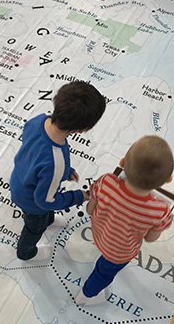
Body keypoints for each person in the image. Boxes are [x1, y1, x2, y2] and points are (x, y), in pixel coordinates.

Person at [10, 81, 106, 261]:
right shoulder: (55, 161)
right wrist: (80, 196)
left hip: (20, 179)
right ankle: (26, 252)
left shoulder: (38, 120)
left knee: (46, 214)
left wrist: (65, 171)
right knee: (34, 229)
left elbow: (35, 153)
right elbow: (46, 201)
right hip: (32, 203)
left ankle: (49, 220)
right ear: (82, 129)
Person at [76, 136, 174, 305]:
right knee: (103, 274)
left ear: (122, 162)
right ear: (168, 179)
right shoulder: (160, 210)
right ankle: (86, 295)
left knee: (103, 259)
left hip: (99, 234)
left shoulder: (106, 181)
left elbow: (90, 209)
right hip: (119, 253)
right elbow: (150, 238)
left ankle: (89, 288)